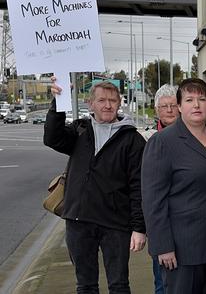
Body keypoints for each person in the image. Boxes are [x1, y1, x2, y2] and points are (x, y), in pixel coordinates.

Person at [44, 79, 146, 293]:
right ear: (90, 104)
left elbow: (139, 187)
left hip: (116, 224)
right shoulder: (80, 129)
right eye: (101, 100)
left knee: (119, 285)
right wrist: (58, 102)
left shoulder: (132, 140)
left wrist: (139, 227)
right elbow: (52, 138)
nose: (107, 105)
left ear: (120, 103)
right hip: (79, 222)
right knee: (86, 285)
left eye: (112, 100)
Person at [141, 78, 206, 294]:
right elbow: (153, 200)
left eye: (202, 99)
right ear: (179, 106)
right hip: (183, 250)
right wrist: (162, 247)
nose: (196, 105)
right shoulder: (163, 142)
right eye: (189, 99)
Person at [140, 84, 180, 294]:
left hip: (186, 225)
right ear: (157, 110)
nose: (170, 110)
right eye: (164, 106)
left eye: (173, 105)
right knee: (162, 283)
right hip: (160, 225)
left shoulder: (194, 135)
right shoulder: (147, 139)